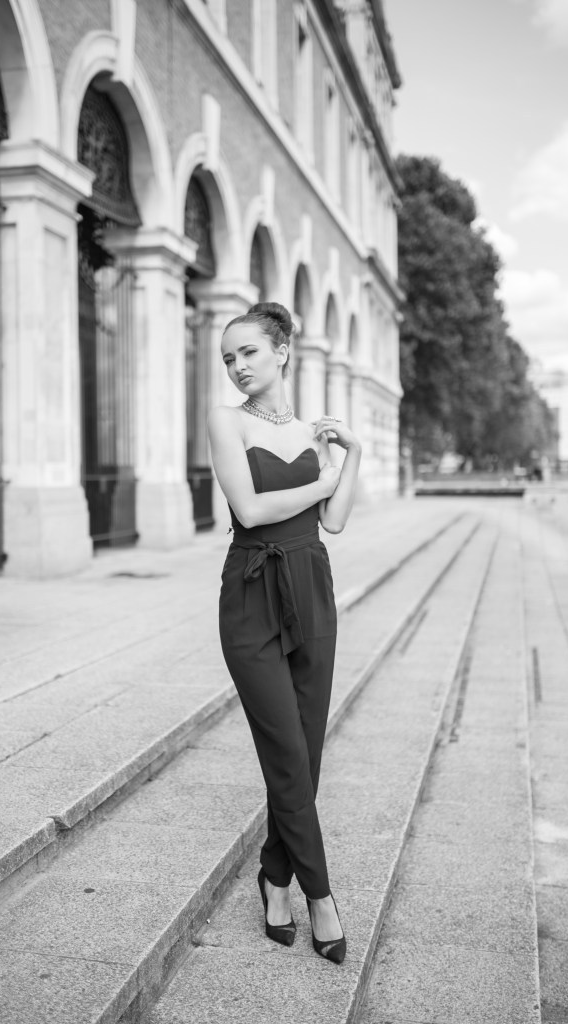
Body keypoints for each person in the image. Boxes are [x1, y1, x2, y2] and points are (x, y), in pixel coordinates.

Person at [207, 301, 362, 965]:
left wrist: (350, 456)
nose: (238, 366)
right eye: (229, 357)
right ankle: (319, 896)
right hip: (251, 594)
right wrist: (321, 480)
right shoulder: (225, 421)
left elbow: (335, 520)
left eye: (248, 352)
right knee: (285, 751)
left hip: (311, 587)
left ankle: (274, 876)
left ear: (281, 352)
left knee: (306, 753)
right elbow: (249, 509)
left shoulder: (312, 432)